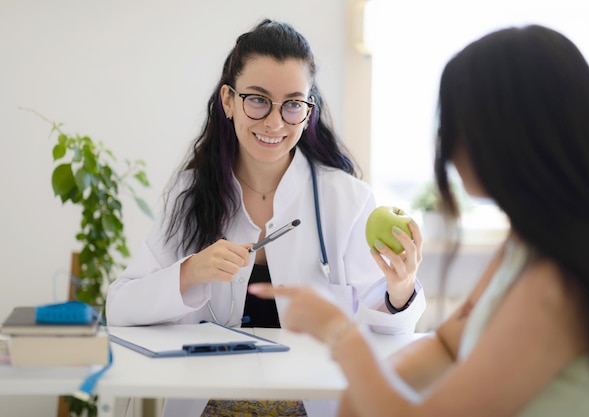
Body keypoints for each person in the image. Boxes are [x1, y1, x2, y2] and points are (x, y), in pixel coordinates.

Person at [250, 24, 589, 416]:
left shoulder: (554, 286)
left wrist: (340, 335)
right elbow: (448, 344)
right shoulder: (527, 245)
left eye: (455, 125)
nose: (444, 145)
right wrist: (363, 391)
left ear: (509, 137)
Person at [105, 19, 426, 417]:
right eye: (257, 99)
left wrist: (401, 289)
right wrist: (190, 272)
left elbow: (384, 334)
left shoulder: (347, 200)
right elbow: (118, 308)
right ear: (228, 100)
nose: (275, 122)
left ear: (309, 111)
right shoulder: (190, 194)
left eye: (293, 104)